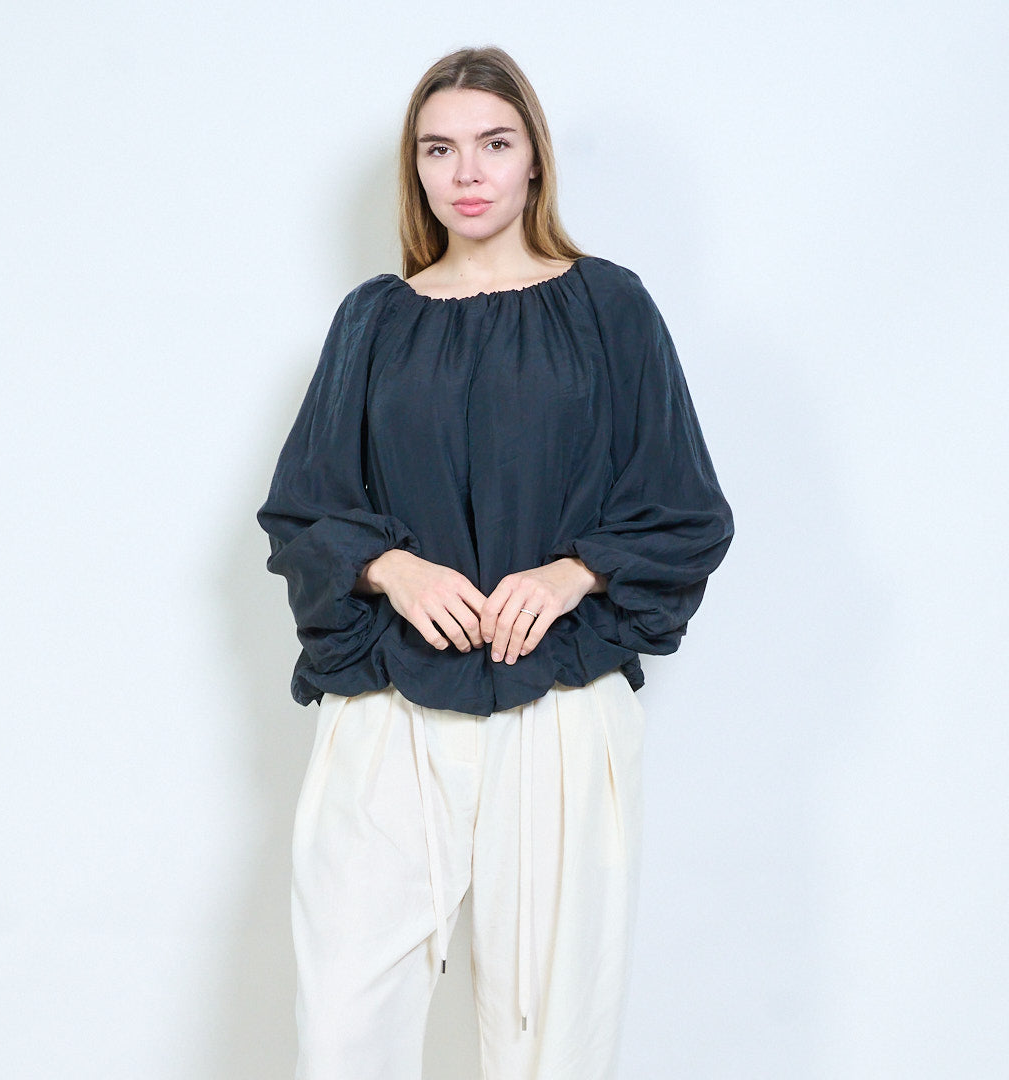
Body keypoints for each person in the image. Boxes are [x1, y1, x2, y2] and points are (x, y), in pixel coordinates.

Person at [258, 45, 733, 1080]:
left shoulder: (609, 307)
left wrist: (574, 573)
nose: (466, 171)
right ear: (416, 169)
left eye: (493, 143)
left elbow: (686, 510)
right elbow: (304, 509)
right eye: (439, 149)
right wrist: (393, 569)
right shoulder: (374, 320)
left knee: (548, 1039)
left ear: (534, 160)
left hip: (557, 705)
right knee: (343, 1026)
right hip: (389, 707)